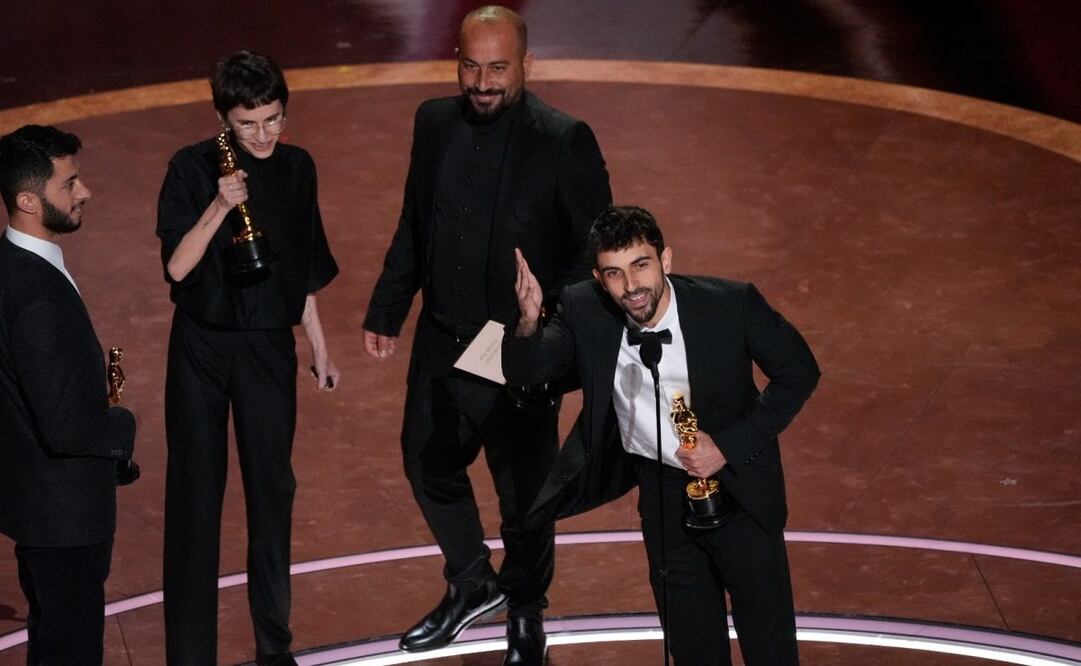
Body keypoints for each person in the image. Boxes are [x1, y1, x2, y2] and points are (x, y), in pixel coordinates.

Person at [362, 5, 611, 664]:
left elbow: (595, 253)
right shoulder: (434, 122)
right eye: (470, 66)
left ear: (526, 64)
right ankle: (472, 582)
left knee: (524, 498)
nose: (482, 82)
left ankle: (526, 616)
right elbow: (417, 221)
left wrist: (544, 323)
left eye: (497, 67)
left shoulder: (564, 140)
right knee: (427, 461)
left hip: (518, 344)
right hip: (443, 335)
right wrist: (388, 306)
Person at [504, 206, 820, 665]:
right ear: (599, 277)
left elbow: (799, 370)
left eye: (641, 265)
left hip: (740, 488)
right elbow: (529, 371)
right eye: (614, 273)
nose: (631, 286)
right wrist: (529, 321)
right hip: (663, 496)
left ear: (665, 260)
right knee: (692, 646)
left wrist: (727, 446)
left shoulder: (730, 305)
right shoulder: (586, 310)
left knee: (769, 645)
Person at [156, 50, 340, 665]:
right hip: (202, 348)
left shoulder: (298, 168)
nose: (264, 135)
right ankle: (190, 654)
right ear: (222, 118)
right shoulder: (190, 168)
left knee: (271, 494)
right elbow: (178, 266)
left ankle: (274, 648)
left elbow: (303, 266)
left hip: (266, 348)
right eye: (248, 123)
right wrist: (219, 203)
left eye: (273, 120)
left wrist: (318, 347)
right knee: (194, 500)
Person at [0, 124, 137, 664]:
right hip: (64, 517)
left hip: (38, 508)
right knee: (70, 651)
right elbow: (64, 426)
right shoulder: (37, 298)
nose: (84, 192)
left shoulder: (13, 270)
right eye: (70, 183)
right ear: (28, 200)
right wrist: (122, 427)